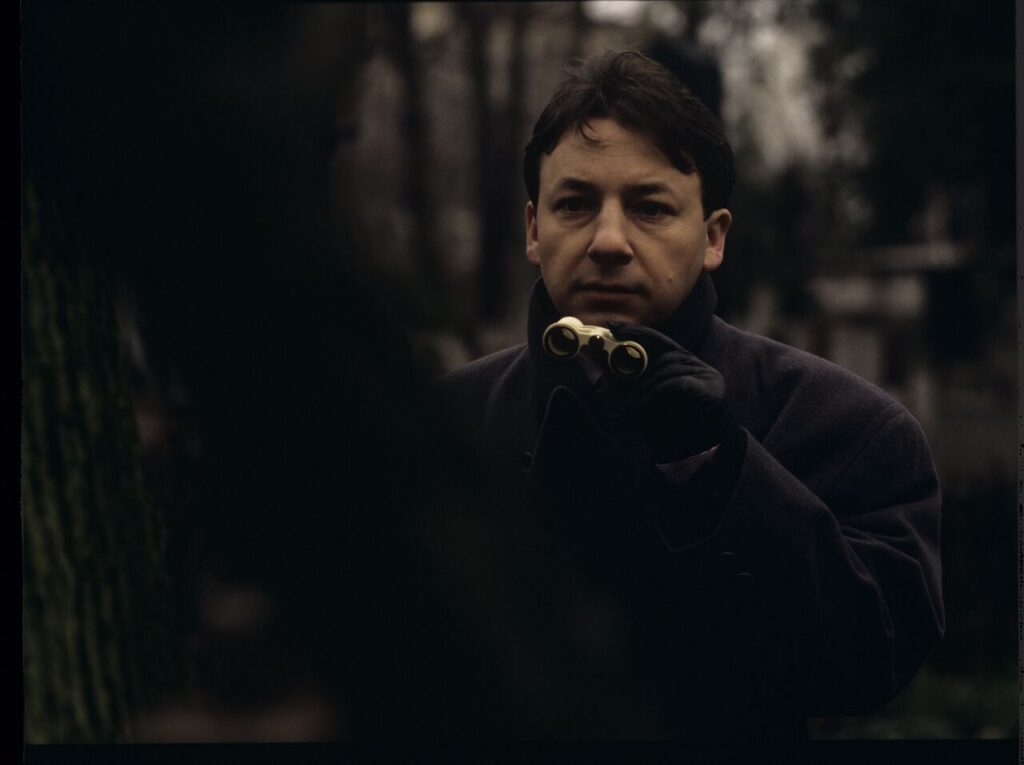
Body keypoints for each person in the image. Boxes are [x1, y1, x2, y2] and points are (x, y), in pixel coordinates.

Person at [440, 51, 943, 740]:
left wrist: (729, 474)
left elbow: (871, 660)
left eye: (649, 208)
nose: (608, 241)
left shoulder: (847, 426)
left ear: (712, 238)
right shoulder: (443, 423)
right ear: (534, 229)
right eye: (575, 204)